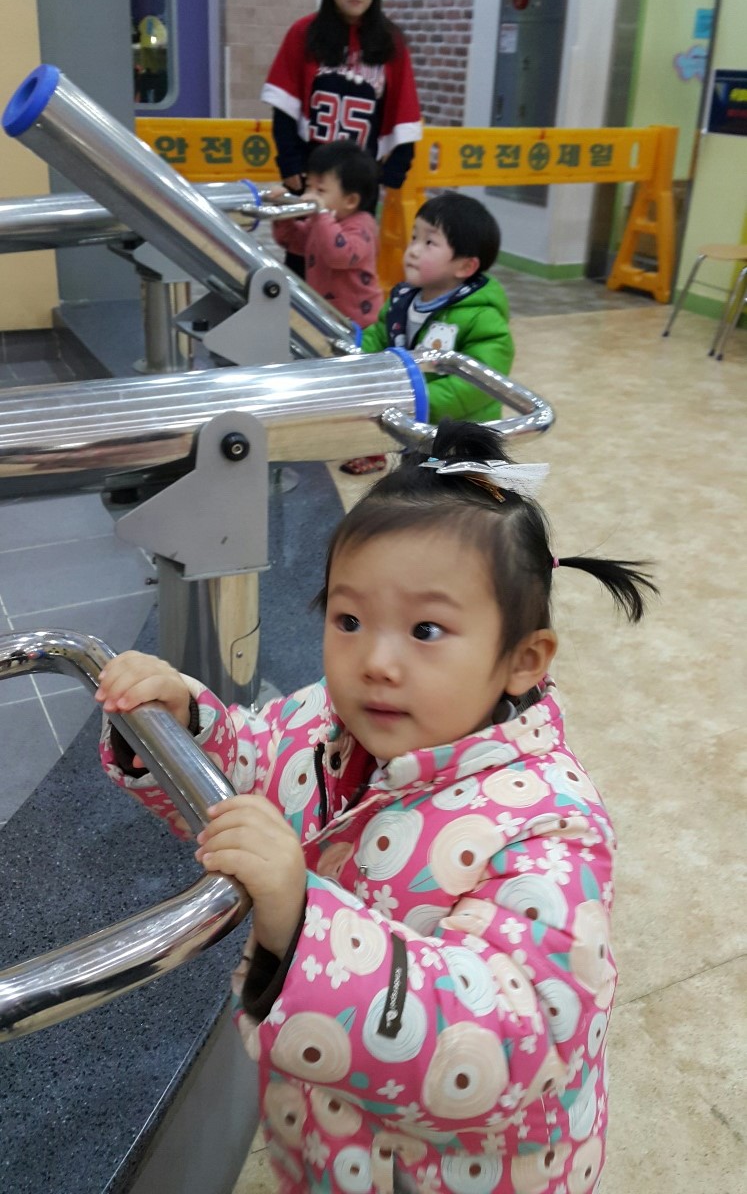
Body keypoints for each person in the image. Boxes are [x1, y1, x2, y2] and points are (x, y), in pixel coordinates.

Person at [96, 419, 657, 1194]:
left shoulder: (549, 827)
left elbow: (506, 1046)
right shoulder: (326, 718)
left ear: (522, 660)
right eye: (349, 620)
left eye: (426, 630)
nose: (376, 661)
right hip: (336, 1137)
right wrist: (183, 731)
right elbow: (254, 766)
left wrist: (304, 924)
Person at [261, 0, 421, 262]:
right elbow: (285, 107)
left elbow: (404, 110)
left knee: (352, 265)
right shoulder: (304, 33)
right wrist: (289, 165)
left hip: (359, 182)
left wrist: (392, 171)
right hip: (311, 178)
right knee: (303, 261)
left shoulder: (390, 41)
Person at [342, 191, 514, 476]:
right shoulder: (404, 299)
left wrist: (418, 401)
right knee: (418, 480)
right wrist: (355, 358)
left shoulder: (481, 317)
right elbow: (381, 336)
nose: (413, 250)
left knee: (457, 494)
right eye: (414, 237)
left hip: (462, 439)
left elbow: (480, 382)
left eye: (429, 242)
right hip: (417, 428)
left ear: (465, 266)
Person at [272, 139, 384, 328]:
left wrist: (321, 213)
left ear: (350, 201)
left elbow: (338, 255)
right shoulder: (321, 222)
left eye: (320, 190)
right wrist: (282, 210)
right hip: (327, 318)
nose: (309, 195)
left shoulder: (362, 226)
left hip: (360, 324)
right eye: (309, 187)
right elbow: (291, 240)